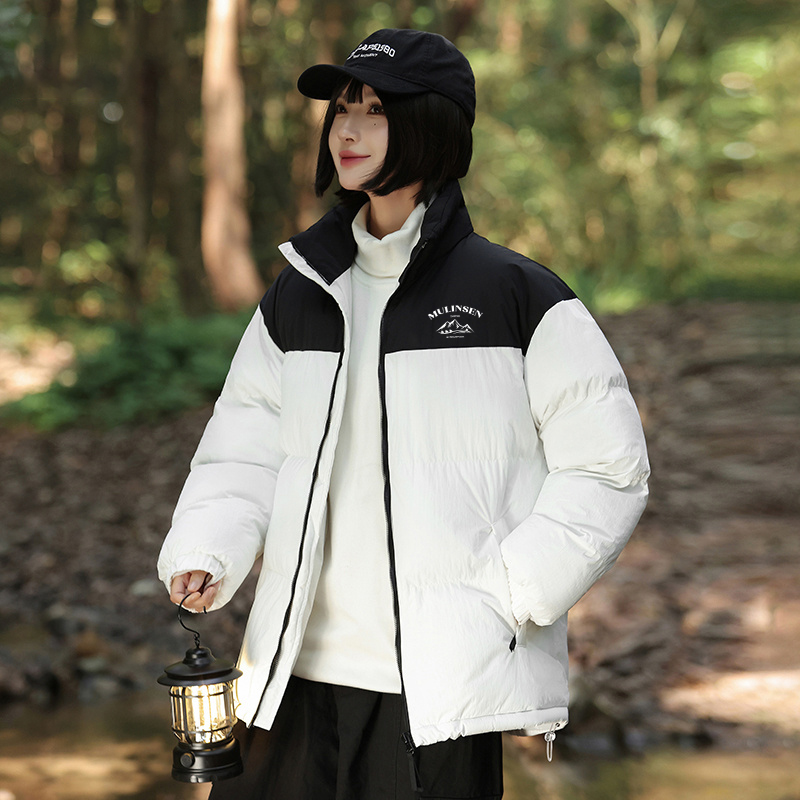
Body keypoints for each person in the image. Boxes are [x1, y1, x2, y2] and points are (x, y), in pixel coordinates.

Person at [158, 28, 649, 800]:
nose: (347, 130)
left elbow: (608, 468)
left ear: (431, 126)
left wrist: (515, 593)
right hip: (289, 675)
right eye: (341, 110)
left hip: (438, 690)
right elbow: (244, 450)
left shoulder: (519, 295)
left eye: (376, 111)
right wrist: (207, 549)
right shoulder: (299, 292)